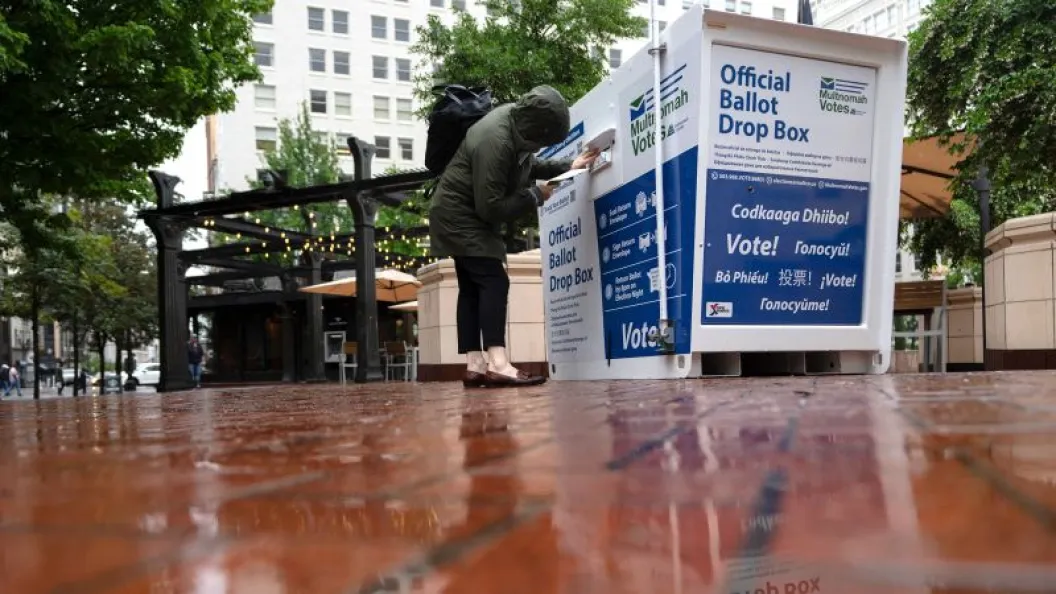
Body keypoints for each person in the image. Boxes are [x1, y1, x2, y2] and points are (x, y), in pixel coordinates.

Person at [429, 85, 598, 388]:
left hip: (454, 212)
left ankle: (475, 364)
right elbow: (491, 207)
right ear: (536, 128)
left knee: (471, 288)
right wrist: (535, 195)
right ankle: (498, 364)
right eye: (543, 140)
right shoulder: (496, 140)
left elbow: (527, 163)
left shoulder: (514, 120)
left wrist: (568, 166)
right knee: (494, 281)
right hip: (461, 216)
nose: (540, 146)